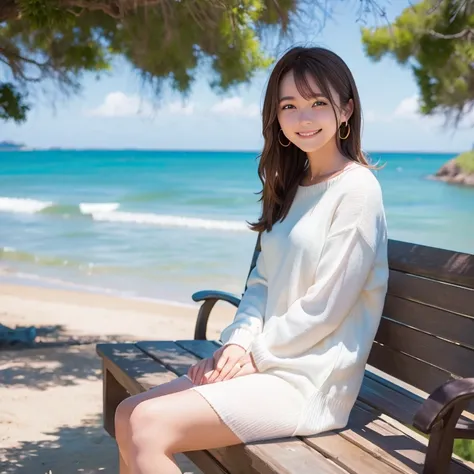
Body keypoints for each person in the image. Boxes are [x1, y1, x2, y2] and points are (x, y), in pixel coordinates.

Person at [114, 45, 389, 474]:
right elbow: (260, 285)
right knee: (128, 412)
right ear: (276, 117)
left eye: (318, 103)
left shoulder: (358, 191)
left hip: (308, 381)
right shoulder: (293, 187)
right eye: (289, 105)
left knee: (149, 425)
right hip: (266, 361)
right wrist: (237, 345)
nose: (304, 118)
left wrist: (254, 354)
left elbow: (328, 306)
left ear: (346, 109)